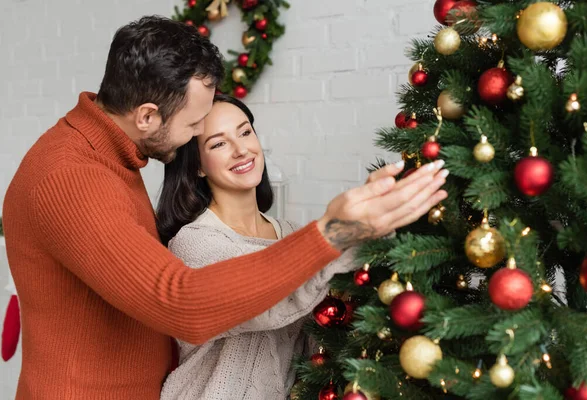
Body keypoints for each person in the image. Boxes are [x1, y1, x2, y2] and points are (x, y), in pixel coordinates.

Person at [1, 15, 448, 400]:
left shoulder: (113, 154)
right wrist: (328, 233)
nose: (199, 134)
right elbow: (183, 302)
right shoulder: (72, 176)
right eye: (196, 125)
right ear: (146, 117)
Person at [156, 94, 364, 400]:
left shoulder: (294, 234)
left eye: (244, 132)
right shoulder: (194, 243)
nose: (242, 150)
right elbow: (269, 295)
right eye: (219, 143)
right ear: (198, 166)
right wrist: (352, 232)